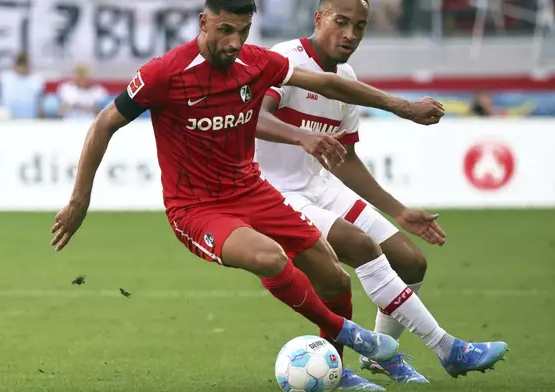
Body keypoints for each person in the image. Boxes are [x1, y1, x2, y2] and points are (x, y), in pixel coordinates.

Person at [50, 0, 446, 384]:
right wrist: (79, 201)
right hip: (197, 208)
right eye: (225, 30)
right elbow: (104, 123)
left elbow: (328, 82)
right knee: (269, 257)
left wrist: (402, 107)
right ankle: (353, 335)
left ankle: (337, 374)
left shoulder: (255, 62)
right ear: (204, 23)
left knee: (336, 281)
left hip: (253, 191)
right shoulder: (164, 73)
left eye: (243, 31)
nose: (235, 42)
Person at [254, 0, 508, 389]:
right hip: (273, 191)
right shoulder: (284, 60)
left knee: (410, 262)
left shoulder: (347, 77)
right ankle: (447, 348)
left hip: (318, 186)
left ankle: (379, 355)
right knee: (359, 245)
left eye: (360, 26)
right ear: (318, 18)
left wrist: (398, 211)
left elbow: (347, 158)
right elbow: (256, 118)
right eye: (341, 22)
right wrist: (304, 136)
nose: (350, 34)